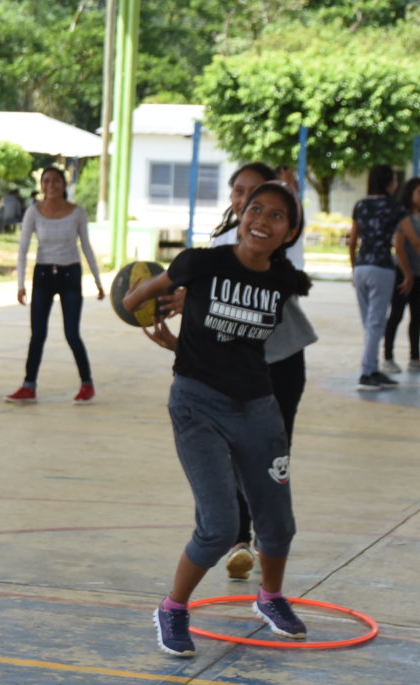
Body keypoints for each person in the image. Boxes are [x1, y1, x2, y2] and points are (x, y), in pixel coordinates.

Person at [125, 181, 311, 657]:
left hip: (257, 407)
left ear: (289, 232)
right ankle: (172, 608)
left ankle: (270, 599)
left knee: (278, 522)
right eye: (255, 210)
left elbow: (252, 340)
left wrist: (194, 330)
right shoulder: (202, 262)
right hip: (196, 404)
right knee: (220, 525)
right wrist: (156, 313)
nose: (262, 221)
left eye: (276, 216)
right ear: (240, 214)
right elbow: (133, 301)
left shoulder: (284, 280)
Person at [156, 162, 317, 582]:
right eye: (238, 193)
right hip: (221, 377)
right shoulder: (219, 245)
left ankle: (263, 545)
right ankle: (233, 538)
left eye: (254, 193)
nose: (244, 201)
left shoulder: (271, 239)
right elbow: (206, 318)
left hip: (277, 364)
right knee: (216, 468)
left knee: (264, 464)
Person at [5, 168, 104, 404]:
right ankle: (29, 386)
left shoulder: (77, 212)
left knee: (71, 333)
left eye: (56, 181)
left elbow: (86, 246)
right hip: (43, 274)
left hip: (70, 274)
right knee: (37, 334)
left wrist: (98, 281)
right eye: (46, 181)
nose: (52, 185)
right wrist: (20, 284)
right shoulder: (33, 212)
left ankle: (87, 384)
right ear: (41, 185)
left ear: (64, 184)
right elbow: (22, 249)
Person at [349, 166, 420, 391]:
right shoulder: (396, 208)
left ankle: (372, 369)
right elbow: (416, 242)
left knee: (370, 324)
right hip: (382, 268)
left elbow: (352, 241)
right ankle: (367, 373)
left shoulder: (361, 205)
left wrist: (354, 268)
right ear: (389, 183)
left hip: (361, 267)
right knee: (375, 323)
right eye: (394, 180)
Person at [383, 177, 420, 373]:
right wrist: (406, 275)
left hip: (416, 272)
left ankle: (415, 358)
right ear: (410, 194)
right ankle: (387, 357)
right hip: (402, 273)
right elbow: (400, 248)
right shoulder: (403, 217)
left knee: (418, 315)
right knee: (396, 314)